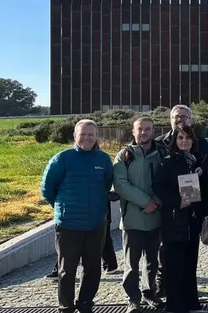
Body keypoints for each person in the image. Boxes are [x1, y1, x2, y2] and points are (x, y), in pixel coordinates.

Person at [41, 119, 114, 313]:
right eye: (83, 134)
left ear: (96, 136)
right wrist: (61, 207)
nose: (87, 138)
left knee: (93, 269)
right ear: (75, 136)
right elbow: (47, 189)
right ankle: (66, 306)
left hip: (96, 224)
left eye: (91, 134)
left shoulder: (103, 160)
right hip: (68, 225)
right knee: (67, 270)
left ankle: (85, 303)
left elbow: (106, 185)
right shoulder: (62, 159)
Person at [152, 124, 208, 313]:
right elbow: (158, 187)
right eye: (180, 138)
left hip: (192, 221)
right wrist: (178, 201)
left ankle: (191, 302)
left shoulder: (197, 161)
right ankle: (175, 306)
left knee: (190, 263)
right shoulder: (167, 162)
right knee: (175, 266)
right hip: (174, 219)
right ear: (175, 141)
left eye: (187, 138)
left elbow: (205, 189)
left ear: (193, 140)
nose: (184, 141)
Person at [113, 117, 167, 313]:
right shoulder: (124, 155)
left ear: (153, 131)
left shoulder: (162, 153)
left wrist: (156, 203)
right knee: (131, 263)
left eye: (147, 129)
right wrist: (146, 202)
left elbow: (168, 181)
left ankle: (149, 293)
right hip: (132, 220)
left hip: (155, 218)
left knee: (153, 262)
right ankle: (133, 298)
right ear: (133, 132)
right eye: (140, 129)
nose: (143, 133)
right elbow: (121, 185)